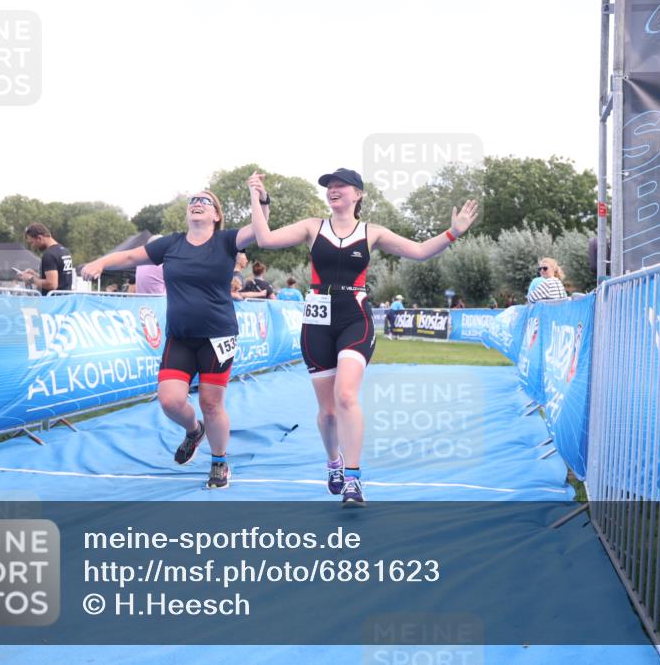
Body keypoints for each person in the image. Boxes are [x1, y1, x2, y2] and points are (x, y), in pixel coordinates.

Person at [247, 168, 478, 506]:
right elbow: (265, 239)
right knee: (327, 413)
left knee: (346, 396)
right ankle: (334, 463)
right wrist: (256, 197)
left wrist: (452, 233)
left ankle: (354, 478)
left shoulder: (372, 232)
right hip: (317, 322)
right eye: (329, 186)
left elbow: (419, 251)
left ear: (357, 194)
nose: (333, 190)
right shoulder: (313, 226)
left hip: (354, 316)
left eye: (341, 185)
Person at [81, 189, 269, 489]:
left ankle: (219, 461)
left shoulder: (225, 241)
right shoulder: (172, 243)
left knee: (211, 404)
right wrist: (101, 263)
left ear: (216, 215)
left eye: (205, 201)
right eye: (193, 200)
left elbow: (261, 231)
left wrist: (260, 199)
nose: (197, 203)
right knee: (169, 401)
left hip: (218, 337)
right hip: (180, 336)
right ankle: (194, 431)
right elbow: (131, 256)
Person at [19, 223, 74, 294]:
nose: (33, 246)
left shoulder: (49, 255)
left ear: (39, 238)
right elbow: (60, 279)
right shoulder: (64, 250)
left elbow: (52, 284)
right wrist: (35, 275)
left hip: (53, 301)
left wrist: (30, 279)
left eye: (32, 242)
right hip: (65, 299)